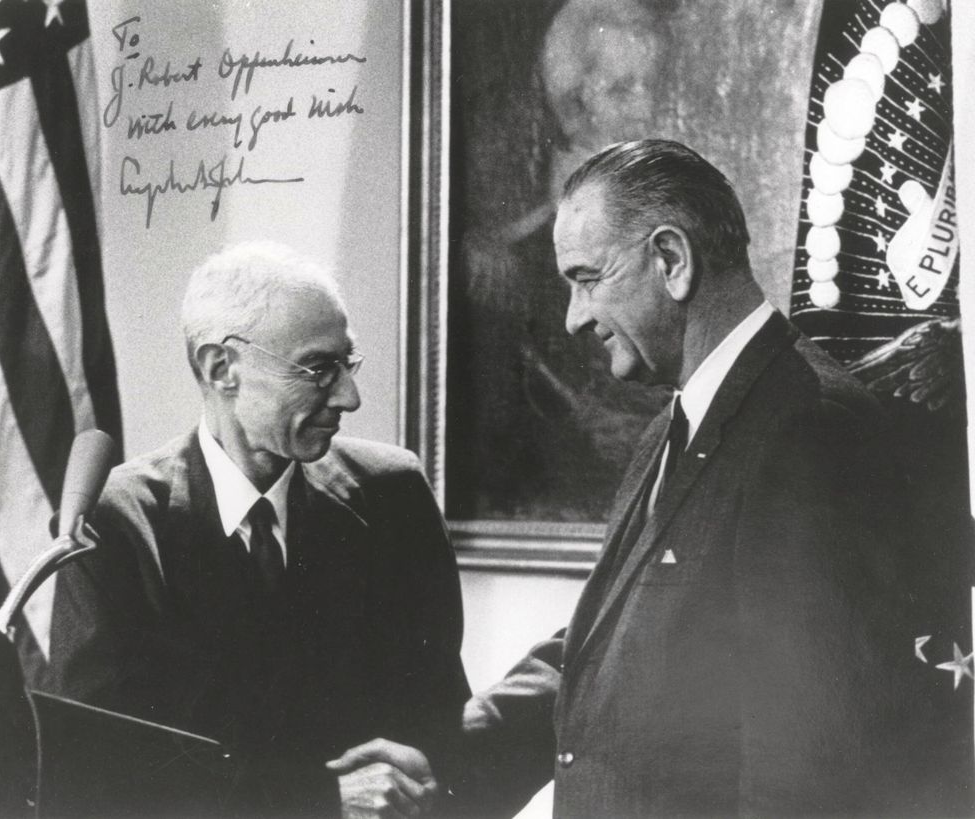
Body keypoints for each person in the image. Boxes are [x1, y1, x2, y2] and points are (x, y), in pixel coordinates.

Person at [331, 140, 954, 816]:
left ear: (671, 260)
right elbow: (610, 640)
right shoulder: (674, 424)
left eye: (587, 277)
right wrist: (445, 755)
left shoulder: (811, 429)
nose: (573, 316)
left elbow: (808, 761)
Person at [43, 241, 470, 816]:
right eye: (318, 368)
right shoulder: (117, 523)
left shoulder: (393, 493)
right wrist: (314, 801)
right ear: (222, 368)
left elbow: (439, 713)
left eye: (348, 363)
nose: (349, 395)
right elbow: (104, 770)